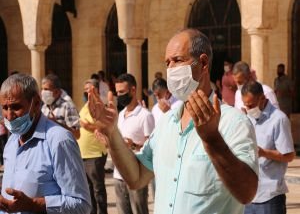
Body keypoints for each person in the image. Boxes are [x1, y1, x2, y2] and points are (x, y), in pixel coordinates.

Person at [88, 28, 258, 214]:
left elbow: (247, 193)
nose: (170, 69)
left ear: (202, 63)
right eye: (167, 63)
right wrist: (112, 133)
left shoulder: (234, 122)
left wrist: (212, 140)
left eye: (177, 60)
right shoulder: (167, 122)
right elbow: (136, 176)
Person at [0, 73, 91, 214]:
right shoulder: (12, 143)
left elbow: (81, 205)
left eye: (16, 107)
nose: (9, 116)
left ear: (36, 103)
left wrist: (34, 204)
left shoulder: (59, 140)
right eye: (5, 108)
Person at [241, 80, 295, 214]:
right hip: (249, 194)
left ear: (262, 98)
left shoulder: (278, 120)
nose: (249, 109)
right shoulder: (248, 118)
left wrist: (264, 153)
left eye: (251, 105)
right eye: (246, 106)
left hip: (269, 196)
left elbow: (289, 155)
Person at [111, 73, 154, 214]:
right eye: (117, 92)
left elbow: (152, 148)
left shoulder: (145, 116)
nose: (119, 95)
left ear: (133, 90)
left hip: (137, 175)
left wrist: (134, 145)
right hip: (119, 175)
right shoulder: (121, 115)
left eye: (122, 92)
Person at [77, 79, 108, 214]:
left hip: (95, 154)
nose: (85, 92)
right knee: (88, 189)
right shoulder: (85, 107)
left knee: (98, 189)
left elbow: (104, 126)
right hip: (83, 155)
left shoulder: (99, 106)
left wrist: (88, 126)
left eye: (88, 89)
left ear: (95, 90)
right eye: (84, 89)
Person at [41, 74, 80, 139]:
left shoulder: (67, 106)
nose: (43, 92)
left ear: (57, 92)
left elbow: (76, 134)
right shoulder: (44, 107)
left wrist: (56, 123)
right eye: (42, 89)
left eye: (46, 89)